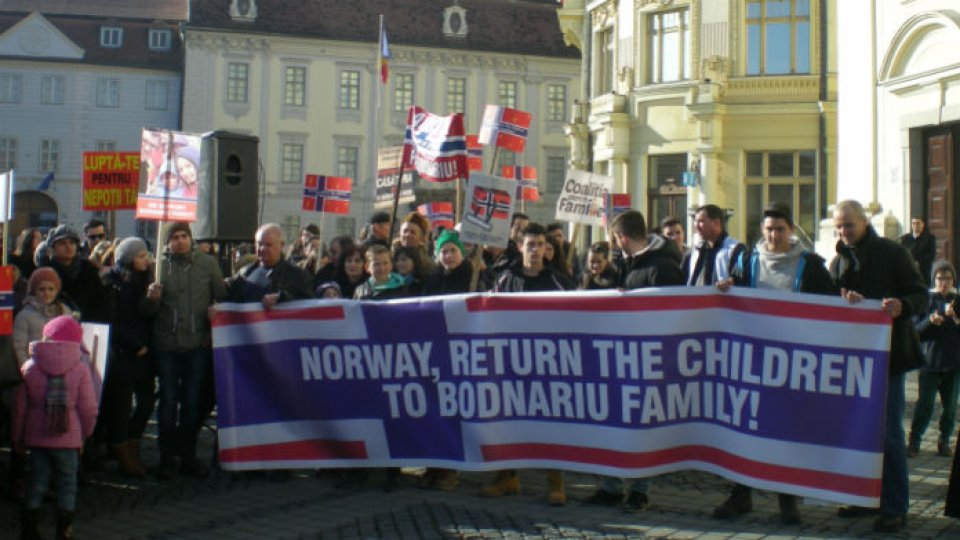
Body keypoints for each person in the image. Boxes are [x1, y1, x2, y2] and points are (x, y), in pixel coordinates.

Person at [713, 202, 835, 524]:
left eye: (780, 229)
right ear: (762, 230)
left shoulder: (810, 265)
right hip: (752, 359)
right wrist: (725, 289)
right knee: (745, 426)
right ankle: (741, 495)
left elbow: (831, 304)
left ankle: (787, 500)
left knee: (787, 430)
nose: (774, 235)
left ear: (791, 230)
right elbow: (732, 297)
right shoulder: (746, 261)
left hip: (793, 362)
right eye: (769, 229)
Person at [830, 199, 927, 533]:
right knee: (858, 430)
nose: (843, 231)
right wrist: (843, 298)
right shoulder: (839, 259)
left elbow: (920, 295)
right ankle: (863, 496)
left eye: (848, 225)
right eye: (838, 226)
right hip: (852, 358)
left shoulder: (894, 252)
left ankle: (895, 507)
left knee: (889, 434)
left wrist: (903, 305)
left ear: (864, 222)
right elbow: (830, 299)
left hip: (890, 357)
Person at [582, 210, 682, 512]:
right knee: (612, 420)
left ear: (622, 237)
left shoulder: (662, 267)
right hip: (619, 355)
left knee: (643, 427)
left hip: (649, 358)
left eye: (615, 239)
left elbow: (671, 312)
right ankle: (611, 485)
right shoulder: (624, 264)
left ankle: (639, 490)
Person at [486, 223, 575, 506]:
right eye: (530, 244)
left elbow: (579, 313)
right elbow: (488, 313)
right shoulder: (505, 279)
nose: (535, 250)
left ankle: (555, 481)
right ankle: (506, 477)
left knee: (550, 423)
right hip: (510, 363)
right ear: (520, 247)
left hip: (548, 364)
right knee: (507, 421)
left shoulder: (559, 281)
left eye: (540, 245)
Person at [149, 222, 227, 480]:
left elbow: (221, 298)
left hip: (197, 345)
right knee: (168, 403)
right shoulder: (158, 266)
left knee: (192, 403)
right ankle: (166, 458)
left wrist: (214, 321)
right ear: (167, 242)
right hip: (167, 346)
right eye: (175, 237)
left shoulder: (208, 264)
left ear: (191, 239)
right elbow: (146, 311)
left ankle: (188, 456)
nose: (180, 241)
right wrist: (150, 299)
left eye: (184, 236)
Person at [13, 316, 97, 540]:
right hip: (68, 440)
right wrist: (85, 435)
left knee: (36, 482)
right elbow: (88, 408)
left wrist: (17, 438)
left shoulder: (30, 367)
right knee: (67, 483)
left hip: (36, 438)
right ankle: (64, 531)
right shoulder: (80, 368)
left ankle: (29, 530)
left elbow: (19, 409)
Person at [101, 237, 159, 478]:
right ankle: (123, 453)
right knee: (121, 407)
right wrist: (134, 344)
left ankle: (134, 446)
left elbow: (148, 315)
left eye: (146, 255)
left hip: (145, 351)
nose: (146, 260)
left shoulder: (149, 280)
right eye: (140, 256)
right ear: (129, 259)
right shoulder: (113, 282)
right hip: (124, 352)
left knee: (146, 402)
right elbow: (112, 320)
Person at [909, 261, 960, 458]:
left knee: (950, 408)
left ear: (953, 280)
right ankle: (915, 441)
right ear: (934, 280)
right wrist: (930, 321)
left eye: (947, 278)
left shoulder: (957, 300)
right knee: (926, 404)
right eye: (940, 278)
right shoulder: (927, 300)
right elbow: (915, 331)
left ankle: (944, 441)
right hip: (929, 362)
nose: (944, 283)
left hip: (953, 363)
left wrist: (956, 321)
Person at [226, 223, 316, 307]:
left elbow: (310, 305)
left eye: (268, 245)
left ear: (281, 245)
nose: (262, 248)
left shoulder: (298, 276)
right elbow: (229, 300)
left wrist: (282, 298)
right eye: (259, 244)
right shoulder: (244, 274)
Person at [44, 225, 110, 323]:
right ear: (53, 248)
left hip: (89, 323)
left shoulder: (90, 269)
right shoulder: (46, 272)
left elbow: (101, 301)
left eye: (72, 243)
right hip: (57, 323)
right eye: (62, 243)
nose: (68, 247)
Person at [13, 268, 72, 367]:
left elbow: (73, 343)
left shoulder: (65, 311)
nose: (47, 293)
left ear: (56, 291)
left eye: (51, 289)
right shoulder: (24, 316)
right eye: (41, 289)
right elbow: (19, 347)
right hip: (35, 369)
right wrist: (27, 369)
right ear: (34, 291)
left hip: (62, 368)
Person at [683, 204, 745, 287]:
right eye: (695, 221)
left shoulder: (736, 249)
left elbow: (742, 279)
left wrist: (731, 282)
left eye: (701, 221)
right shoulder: (695, 251)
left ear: (716, 223)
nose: (696, 226)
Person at [900, 217, 936, 287]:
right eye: (913, 223)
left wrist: (919, 263)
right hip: (908, 271)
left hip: (924, 271)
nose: (916, 225)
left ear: (923, 224)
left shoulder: (930, 238)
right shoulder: (904, 239)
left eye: (918, 223)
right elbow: (902, 253)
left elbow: (931, 254)